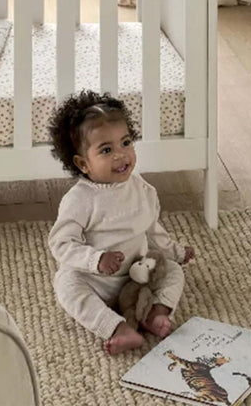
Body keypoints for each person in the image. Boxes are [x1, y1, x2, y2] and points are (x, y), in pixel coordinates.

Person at [47, 90, 196, 355]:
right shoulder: (80, 199)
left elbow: (153, 230)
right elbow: (60, 244)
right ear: (83, 163)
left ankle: (155, 313)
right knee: (66, 285)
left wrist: (175, 252)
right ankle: (117, 328)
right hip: (95, 281)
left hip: (137, 277)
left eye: (125, 143)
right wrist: (96, 259)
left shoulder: (142, 190)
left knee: (173, 271)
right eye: (106, 150)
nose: (120, 155)